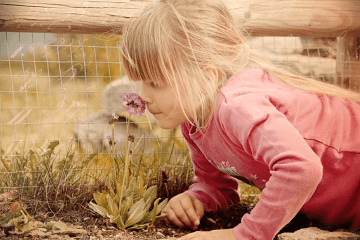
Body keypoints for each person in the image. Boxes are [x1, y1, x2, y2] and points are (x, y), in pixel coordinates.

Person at [119, 0, 360, 239]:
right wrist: (198, 197)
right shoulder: (193, 121)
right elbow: (219, 186)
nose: (143, 96)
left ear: (207, 77)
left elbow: (301, 168)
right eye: (141, 82)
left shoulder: (237, 106)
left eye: (155, 84)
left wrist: (243, 235)